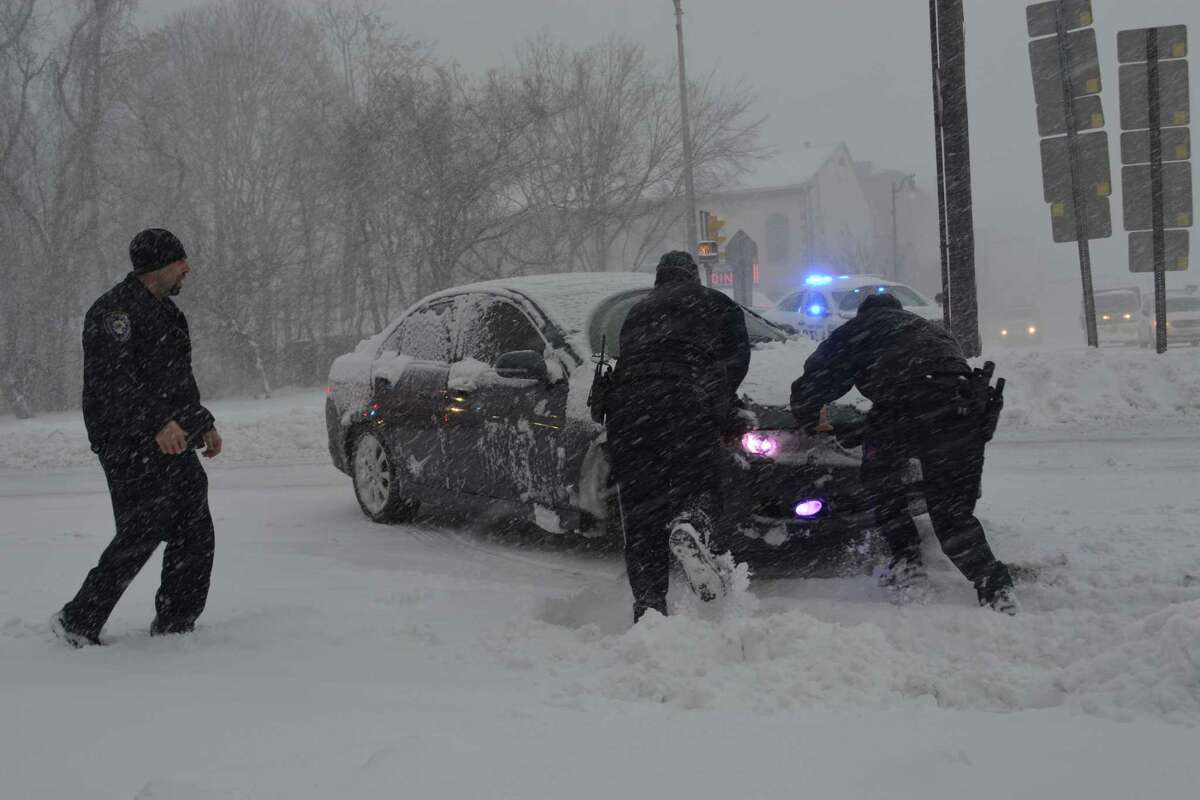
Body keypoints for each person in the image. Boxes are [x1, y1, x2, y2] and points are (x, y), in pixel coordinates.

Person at [789, 292, 1018, 615]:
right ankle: (995, 585)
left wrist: (809, 418)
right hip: (964, 412)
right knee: (952, 512)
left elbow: (815, 381)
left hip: (905, 408)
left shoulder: (861, 329)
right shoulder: (929, 328)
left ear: (862, 314)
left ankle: (905, 558)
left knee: (883, 486)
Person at [51, 228, 222, 647]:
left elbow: (179, 382)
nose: (188, 269)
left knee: (194, 527)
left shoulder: (168, 314)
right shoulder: (113, 314)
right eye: (180, 261)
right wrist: (156, 424)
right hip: (127, 443)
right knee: (142, 530)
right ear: (157, 267)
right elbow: (113, 386)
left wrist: (202, 423)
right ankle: (77, 621)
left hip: (174, 441)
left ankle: (176, 622)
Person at [605, 251, 751, 622]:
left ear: (659, 278)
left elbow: (629, 359)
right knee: (702, 481)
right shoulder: (717, 304)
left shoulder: (637, 310)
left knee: (641, 515)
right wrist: (724, 410)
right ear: (694, 276)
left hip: (628, 413)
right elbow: (732, 364)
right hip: (684, 403)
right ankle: (692, 523)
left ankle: (650, 611)